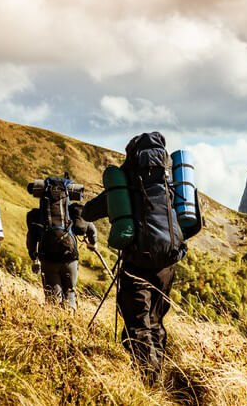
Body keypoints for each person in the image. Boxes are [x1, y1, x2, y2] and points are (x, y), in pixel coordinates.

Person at [83, 132, 203, 384]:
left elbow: (90, 213)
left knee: (138, 324)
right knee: (155, 321)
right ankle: (157, 375)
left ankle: (148, 382)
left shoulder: (126, 183)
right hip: (168, 264)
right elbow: (194, 224)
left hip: (137, 263)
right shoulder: (172, 183)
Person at [26, 176, 83, 310]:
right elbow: (86, 227)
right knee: (70, 292)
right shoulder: (72, 211)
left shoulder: (37, 215)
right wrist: (93, 242)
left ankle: (54, 320)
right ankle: (70, 319)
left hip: (48, 258)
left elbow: (31, 238)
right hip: (69, 257)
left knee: (53, 297)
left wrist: (34, 257)